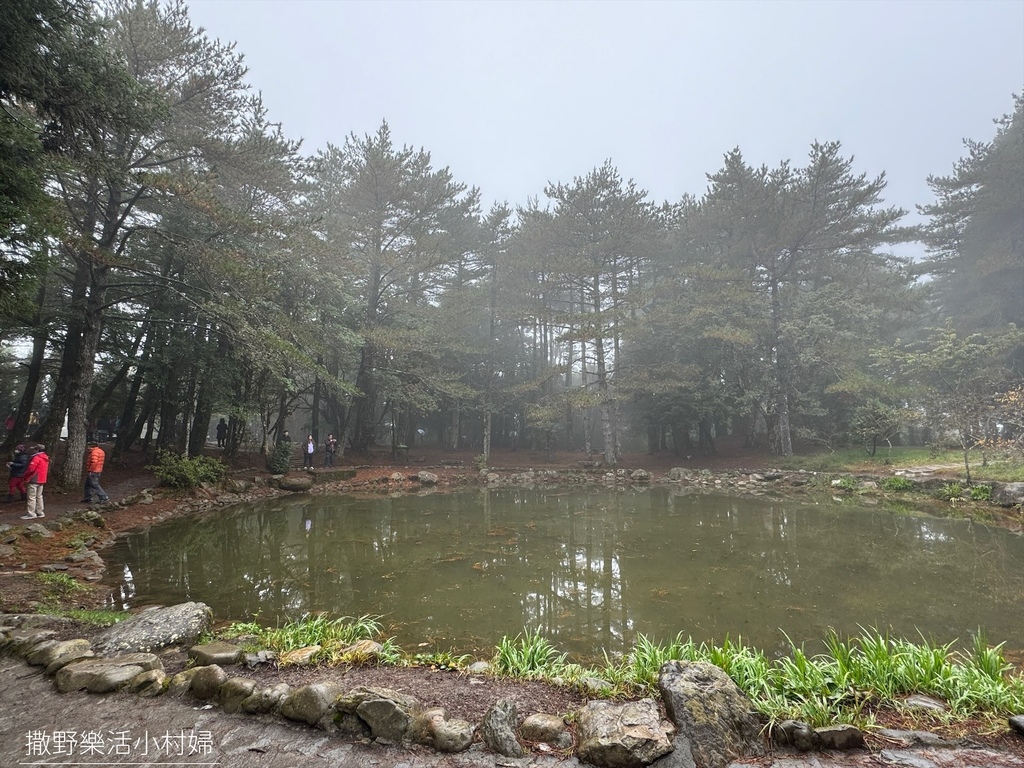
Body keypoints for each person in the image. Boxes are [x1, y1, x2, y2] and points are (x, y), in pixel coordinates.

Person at [21, 444, 48, 520]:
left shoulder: (36, 458)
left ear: (37, 450)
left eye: (34, 449)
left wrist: (25, 476)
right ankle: (40, 512)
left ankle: (31, 513)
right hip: (42, 479)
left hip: (34, 479)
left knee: (31, 497)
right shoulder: (45, 457)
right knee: (39, 496)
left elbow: (31, 469)